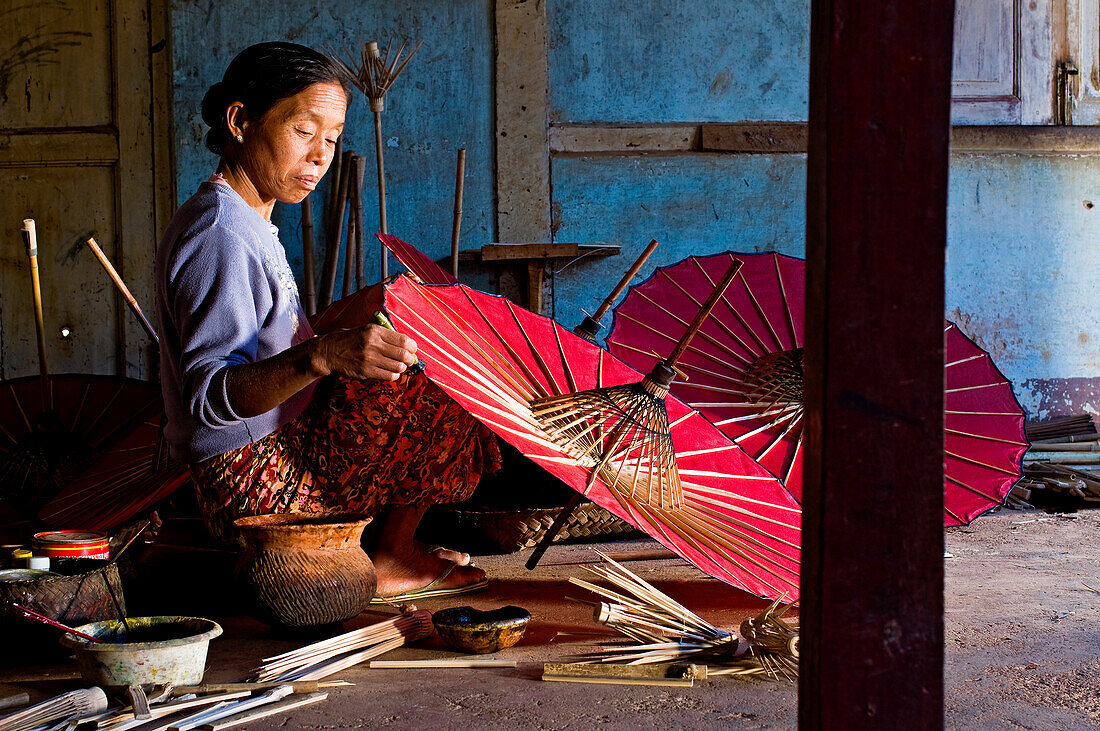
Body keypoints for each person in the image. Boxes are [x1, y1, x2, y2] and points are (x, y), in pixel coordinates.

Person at [155, 41, 500, 602]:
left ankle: (387, 549)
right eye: (303, 131)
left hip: (271, 447)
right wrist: (322, 354)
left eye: (333, 139)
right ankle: (393, 554)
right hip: (254, 478)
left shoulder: (245, 220)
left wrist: (362, 306)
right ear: (240, 120)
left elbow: (263, 344)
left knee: (416, 347)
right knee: (445, 384)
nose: (320, 155)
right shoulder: (219, 235)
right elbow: (211, 395)